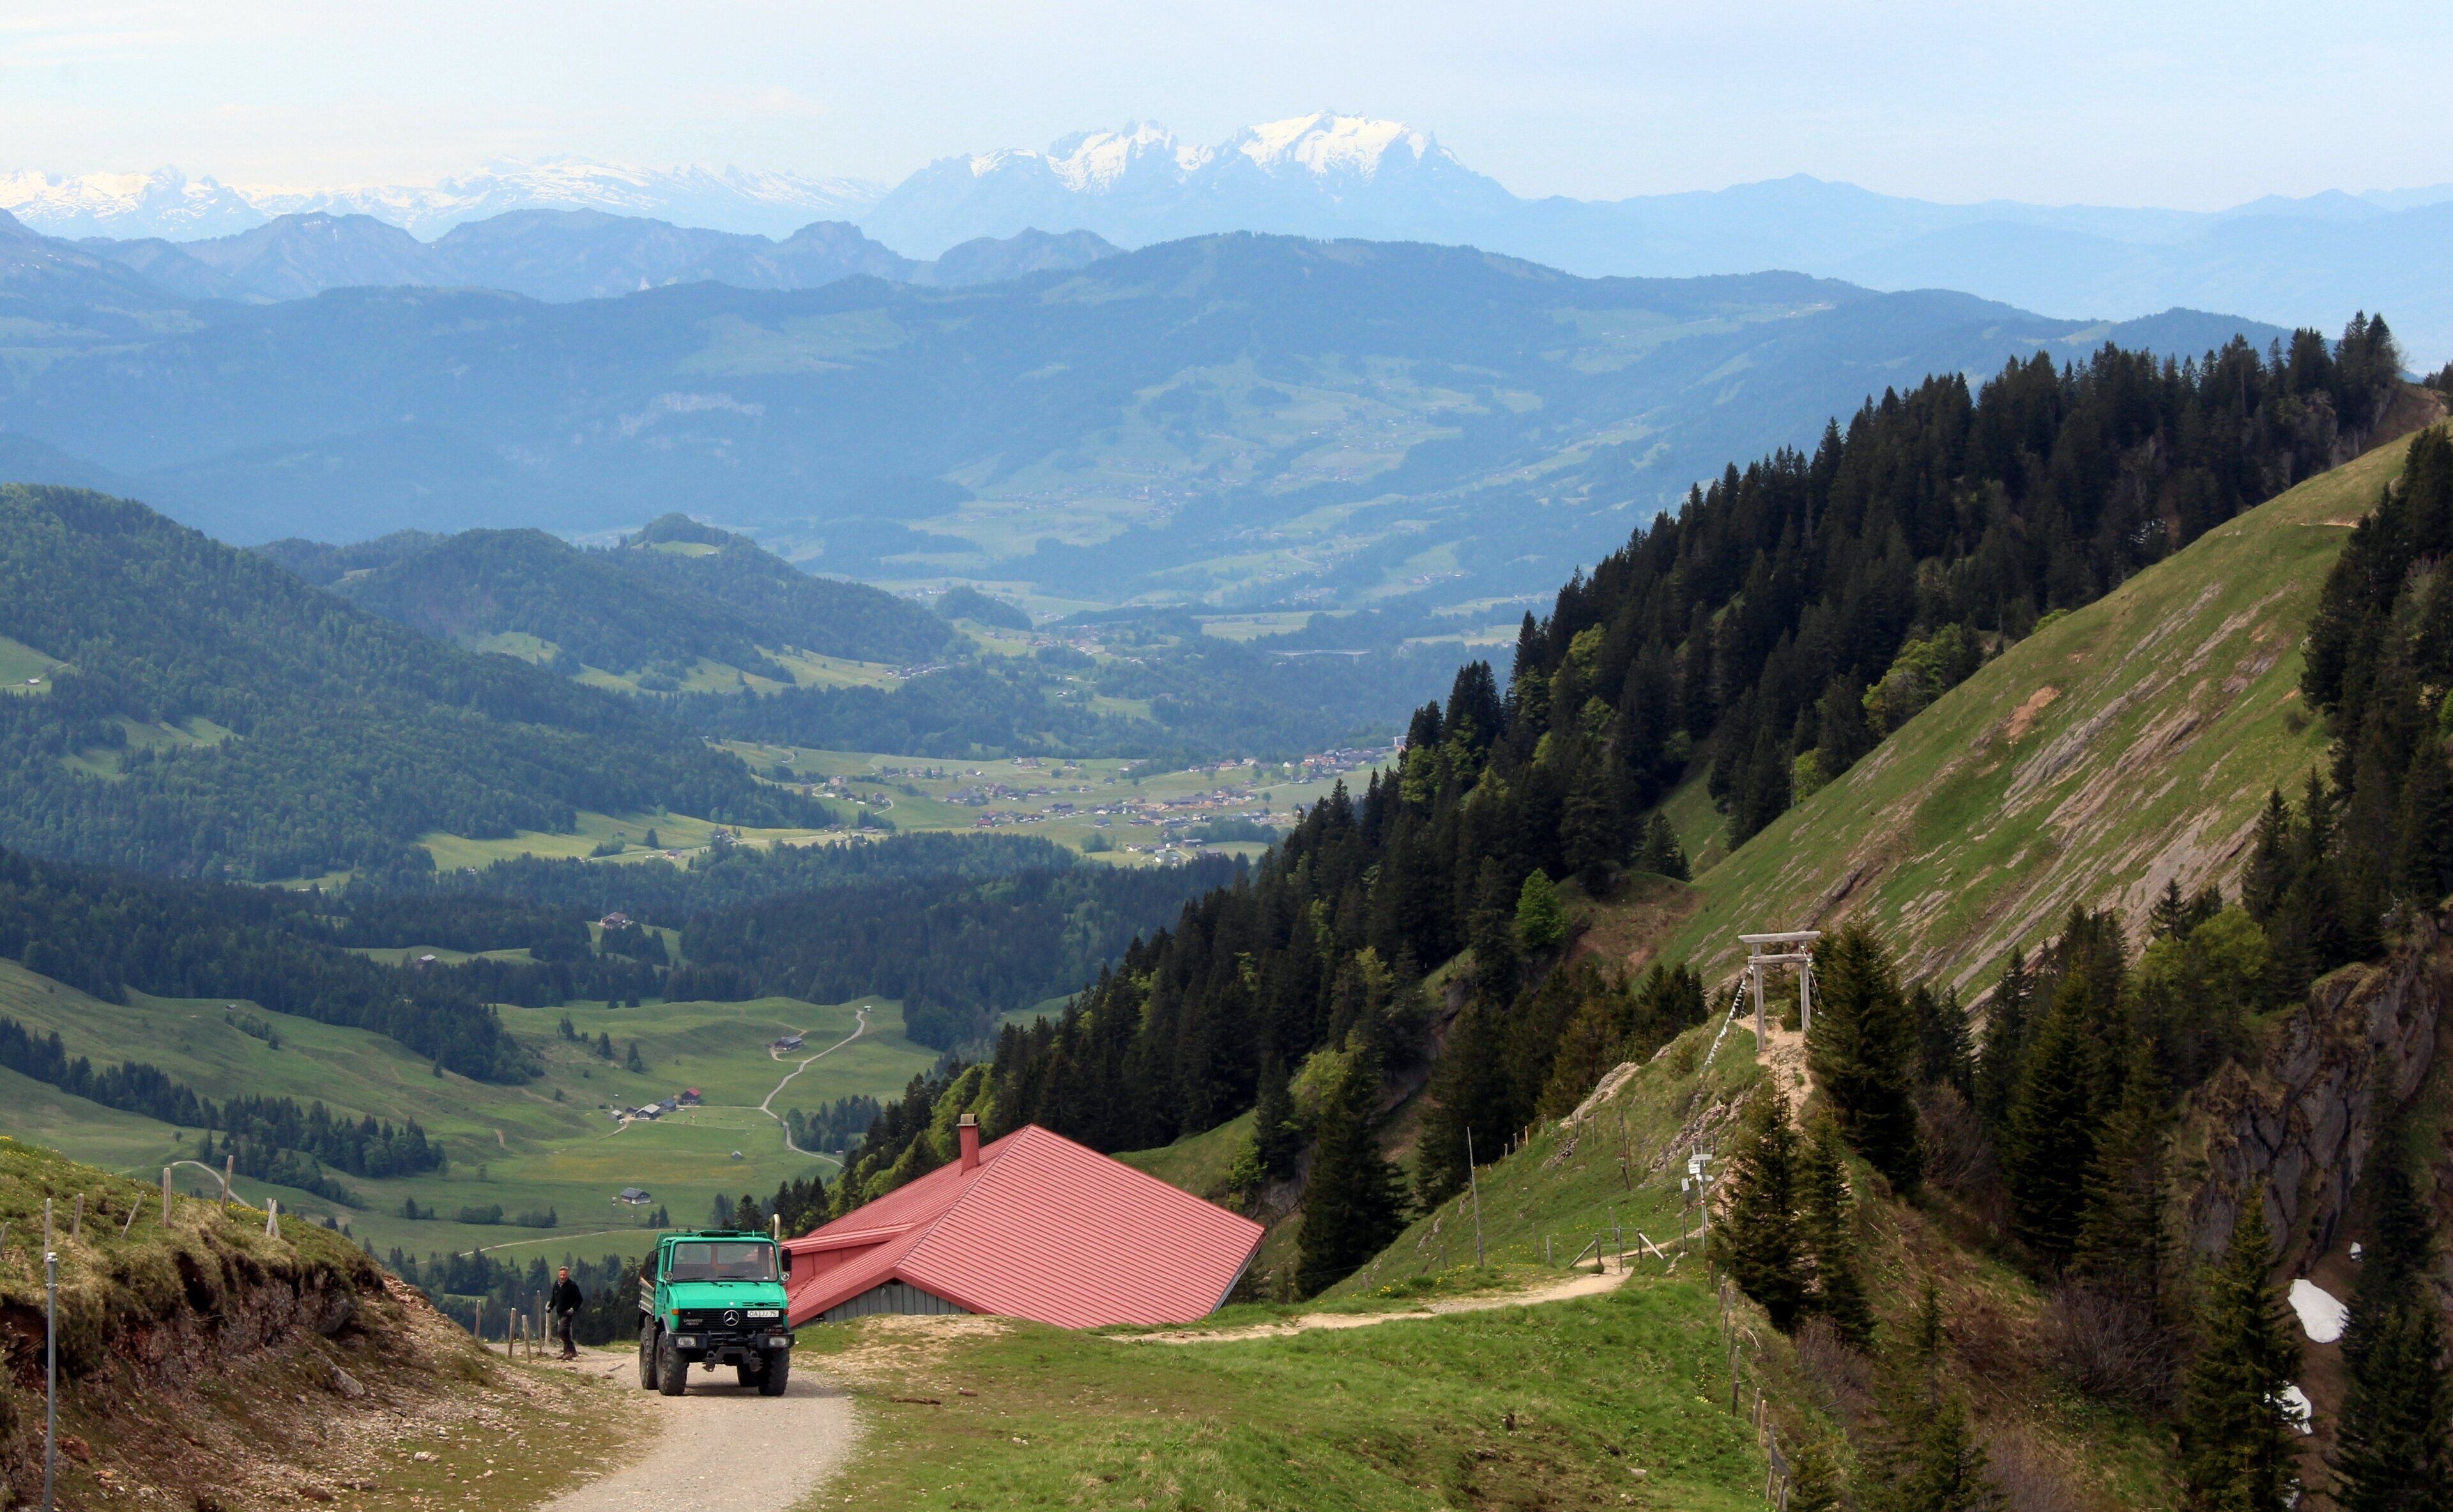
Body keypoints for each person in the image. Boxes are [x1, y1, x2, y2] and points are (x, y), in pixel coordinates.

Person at [549, 1266, 583, 1359]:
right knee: (565, 1332)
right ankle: (567, 1352)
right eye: (561, 1275)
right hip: (559, 1312)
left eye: (564, 1275)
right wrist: (550, 1307)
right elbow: (554, 1297)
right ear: (558, 1275)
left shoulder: (572, 1285)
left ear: (568, 1275)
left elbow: (579, 1299)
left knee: (562, 1331)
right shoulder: (557, 1284)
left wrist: (573, 1309)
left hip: (567, 1313)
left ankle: (571, 1351)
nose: (563, 1277)